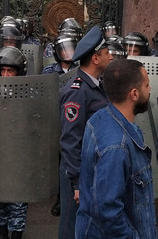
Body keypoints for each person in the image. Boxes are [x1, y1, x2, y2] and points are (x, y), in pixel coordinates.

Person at [76, 59, 156, 238]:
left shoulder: (99, 118)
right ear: (134, 94)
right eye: (146, 85)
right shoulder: (116, 146)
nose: (149, 89)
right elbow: (108, 211)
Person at [58, 26, 113, 239]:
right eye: (107, 52)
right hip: (79, 172)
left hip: (94, 168)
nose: (111, 56)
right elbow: (71, 141)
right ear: (96, 58)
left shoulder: (97, 86)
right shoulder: (77, 91)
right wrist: (76, 183)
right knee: (72, 226)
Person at [0, 46, 29, 239]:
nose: (6, 75)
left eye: (10, 71)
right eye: (3, 71)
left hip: (19, 157)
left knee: (18, 201)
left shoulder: (29, 95)